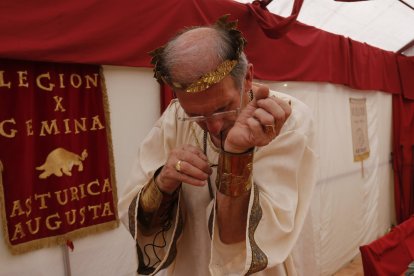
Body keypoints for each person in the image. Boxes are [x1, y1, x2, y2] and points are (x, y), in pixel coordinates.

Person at [119, 15, 317, 276]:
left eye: (222, 108)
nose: (212, 127)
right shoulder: (175, 116)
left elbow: (238, 240)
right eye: (195, 115)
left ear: (247, 78)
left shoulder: (286, 118)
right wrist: (164, 182)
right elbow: (137, 216)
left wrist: (237, 154)